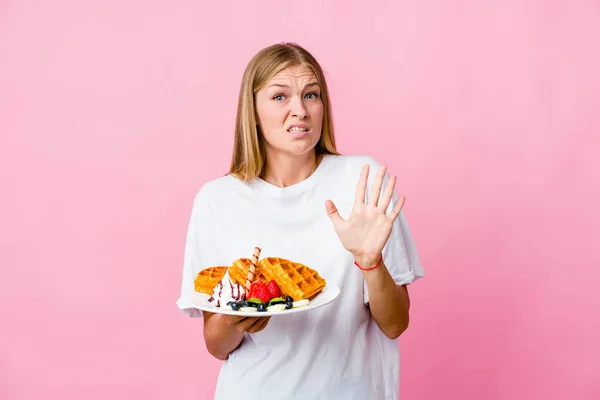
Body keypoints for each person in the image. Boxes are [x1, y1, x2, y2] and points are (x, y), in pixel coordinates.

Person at [176, 42, 424, 400]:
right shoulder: (217, 200)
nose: (300, 110)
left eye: (312, 94)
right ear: (253, 111)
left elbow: (395, 323)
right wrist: (232, 321)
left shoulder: (363, 182)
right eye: (280, 97)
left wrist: (371, 262)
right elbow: (216, 346)